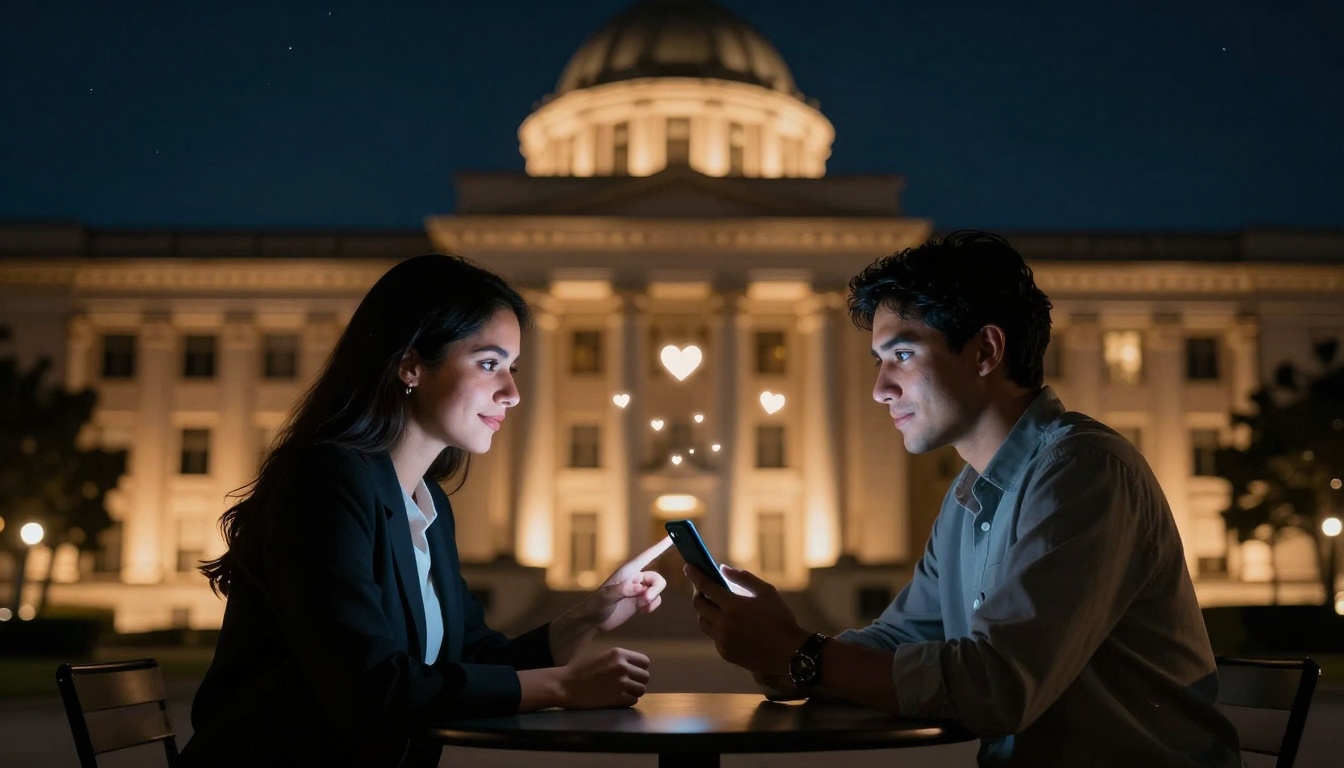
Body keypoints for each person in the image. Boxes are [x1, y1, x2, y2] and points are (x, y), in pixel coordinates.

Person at [685, 231, 1241, 767]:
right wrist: (783, 654)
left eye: (900, 355)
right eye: (878, 361)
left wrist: (804, 656)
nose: (880, 388)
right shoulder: (969, 496)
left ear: (984, 351)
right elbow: (902, 638)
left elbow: (997, 685)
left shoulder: (1085, 471)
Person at [179, 254, 672, 768]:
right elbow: (371, 686)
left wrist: (587, 617)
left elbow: (470, 661)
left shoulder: (426, 502)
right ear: (410, 364)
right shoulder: (324, 479)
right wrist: (561, 686)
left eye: (512, 368)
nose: (513, 393)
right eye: (489, 364)